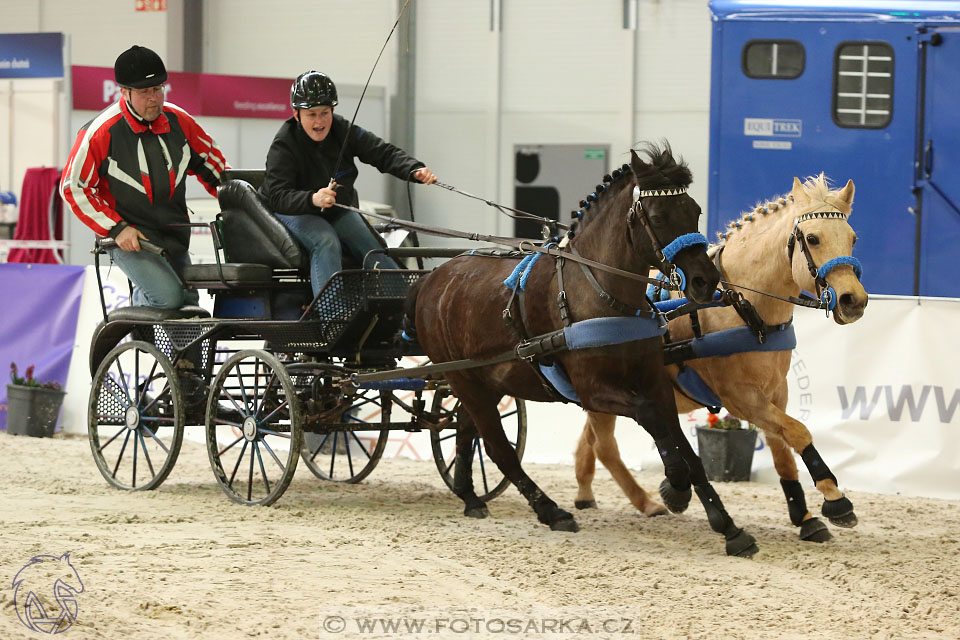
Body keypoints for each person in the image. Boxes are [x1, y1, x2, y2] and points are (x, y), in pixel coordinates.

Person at [61, 45, 228, 310]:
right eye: (144, 92)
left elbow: (216, 169)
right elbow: (74, 188)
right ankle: (133, 315)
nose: (154, 98)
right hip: (131, 238)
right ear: (124, 92)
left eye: (158, 89)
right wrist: (117, 229)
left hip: (174, 234)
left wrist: (237, 203)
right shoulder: (100, 132)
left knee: (191, 307)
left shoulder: (180, 121)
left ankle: (182, 354)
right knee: (169, 298)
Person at [259, 70, 437, 297]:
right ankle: (333, 320)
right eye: (311, 114)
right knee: (325, 240)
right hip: (292, 210)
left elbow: (381, 152)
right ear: (296, 114)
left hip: (334, 209)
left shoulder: (343, 130)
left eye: (325, 113)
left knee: (371, 245)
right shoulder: (283, 144)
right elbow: (277, 196)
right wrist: (312, 198)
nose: (319, 121)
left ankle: (405, 313)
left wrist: (413, 169)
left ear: (333, 110)